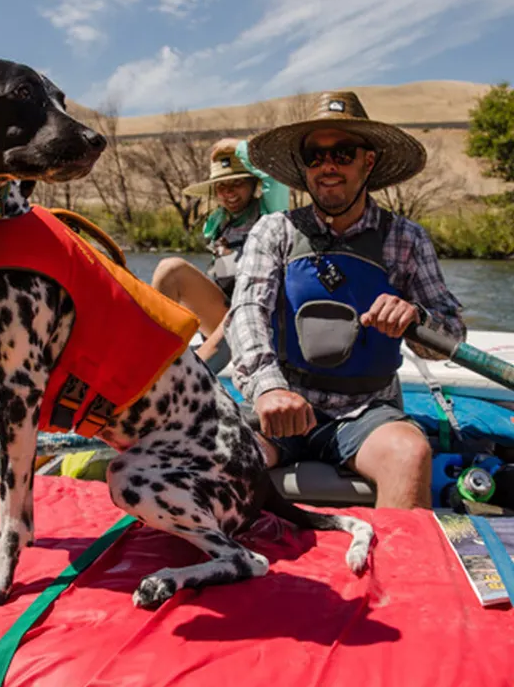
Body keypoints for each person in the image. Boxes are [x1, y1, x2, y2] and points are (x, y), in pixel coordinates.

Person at [224, 92, 466, 510]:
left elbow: (451, 335)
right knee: (217, 458)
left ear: (367, 162)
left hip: (368, 411)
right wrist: (267, 388)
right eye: (315, 156)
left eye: (342, 152)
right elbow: (247, 313)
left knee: (410, 454)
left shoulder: (407, 239)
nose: (327, 165)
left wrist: (417, 319)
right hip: (286, 403)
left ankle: (397, 573)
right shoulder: (273, 230)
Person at [151, 138, 288, 368]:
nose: (229, 193)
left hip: (263, 315)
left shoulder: (270, 212)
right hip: (224, 311)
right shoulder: (218, 222)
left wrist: (236, 145)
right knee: (170, 268)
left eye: (237, 183)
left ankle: (187, 377)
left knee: (240, 308)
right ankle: (154, 350)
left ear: (253, 184)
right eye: (222, 186)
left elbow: (274, 178)